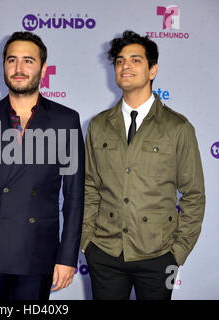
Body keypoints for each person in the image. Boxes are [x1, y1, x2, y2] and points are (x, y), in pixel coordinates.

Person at [0, 31, 85, 300]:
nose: (19, 68)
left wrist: (67, 256)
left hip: (38, 253)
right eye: (12, 60)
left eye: (28, 61)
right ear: (3, 66)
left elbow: (74, 197)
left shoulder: (65, 120)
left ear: (43, 68)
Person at [81, 30, 205, 300]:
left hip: (159, 255)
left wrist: (179, 251)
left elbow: (194, 194)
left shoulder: (178, 128)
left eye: (135, 60)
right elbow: (89, 186)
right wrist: (86, 241)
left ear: (152, 70)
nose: (125, 66)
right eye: (120, 61)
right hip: (104, 252)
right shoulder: (99, 125)